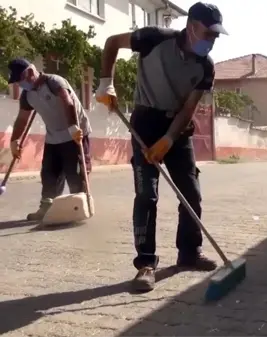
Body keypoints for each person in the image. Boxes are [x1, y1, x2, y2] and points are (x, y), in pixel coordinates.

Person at [95, 2, 226, 291]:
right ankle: (145, 264)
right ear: (191, 26)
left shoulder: (206, 66)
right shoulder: (154, 38)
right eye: (208, 33)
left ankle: (189, 253)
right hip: (145, 121)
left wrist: (169, 139)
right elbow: (112, 42)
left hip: (177, 129)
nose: (211, 40)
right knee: (146, 195)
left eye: (215, 36)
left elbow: (189, 108)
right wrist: (106, 83)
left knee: (191, 192)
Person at [7, 58, 92, 220]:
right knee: (48, 173)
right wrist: (14, 140)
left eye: (21, 79)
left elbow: (68, 103)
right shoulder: (27, 95)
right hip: (53, 136)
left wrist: (73, 126)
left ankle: (80, 206)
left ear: (31, 72)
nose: (20, 84)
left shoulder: (54, 82)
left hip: (75, 132)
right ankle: (47, 208)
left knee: (74, 172)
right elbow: (22, 119)